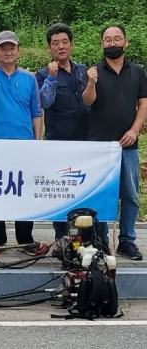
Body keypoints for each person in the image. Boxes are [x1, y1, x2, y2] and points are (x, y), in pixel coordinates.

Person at [0, 30, 42, 254]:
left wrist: (37, 142)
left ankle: (25, 239)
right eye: (3, 48)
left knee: (23, 192)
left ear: (19, 51)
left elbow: (36, 112)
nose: (8, 51)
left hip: (24, 145)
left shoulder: (29, 78)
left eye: (12, 47)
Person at [82, 25, 147, 261]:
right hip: (99, 146)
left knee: (130, 195)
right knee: (100, 195)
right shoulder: (93, 71)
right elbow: (87, 101)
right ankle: (100, 242)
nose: (113, 43)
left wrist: (134, 129)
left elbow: (143, 104)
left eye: (117, 38)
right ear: (102, 44)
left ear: (126, 42)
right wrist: (90, 83)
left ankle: (127, 241)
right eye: (108, 39)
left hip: (127, 145)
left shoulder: (137, 71)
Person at [35, 23, 89, 241]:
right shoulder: (42, 74)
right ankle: (61, 237)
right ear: (49, 48)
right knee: (59, 191)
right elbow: (44, 103)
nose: (61, 47)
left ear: (72, 44)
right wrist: (51, 77)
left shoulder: (83, 71)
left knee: (83, 189)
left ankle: (85, 236)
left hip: (85, 142)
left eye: (64, 42)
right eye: (55, 43)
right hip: (57, 141)